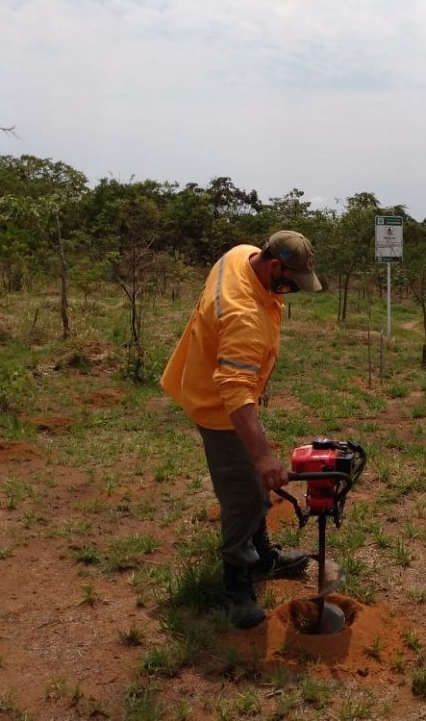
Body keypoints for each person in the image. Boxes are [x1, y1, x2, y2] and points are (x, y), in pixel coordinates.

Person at [161, 231, 323, 629]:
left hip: (220, 387)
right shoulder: (243, 315)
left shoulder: (239, 255)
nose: (289, 293)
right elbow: (233, 391)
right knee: (243, 495)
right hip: (221, 408)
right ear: (273, 267)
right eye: (289, 284)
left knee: (256, 483)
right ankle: (237, 584)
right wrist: (263, 455)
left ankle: (262, 552)